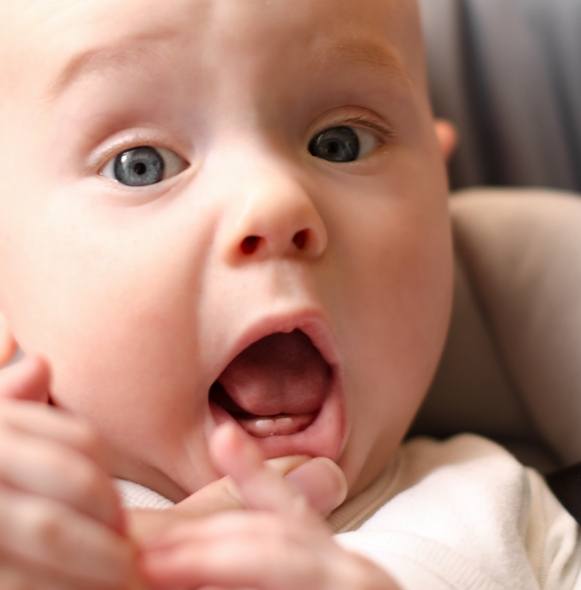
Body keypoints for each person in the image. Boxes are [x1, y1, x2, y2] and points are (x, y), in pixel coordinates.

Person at [0, 0, 578, 588]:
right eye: (139, 165)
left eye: (339, 144)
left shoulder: (499, 516)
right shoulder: (17, 532)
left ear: (439, 182)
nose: (274, 200)